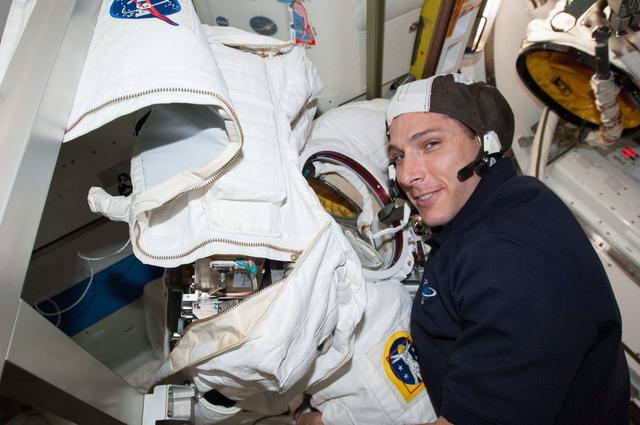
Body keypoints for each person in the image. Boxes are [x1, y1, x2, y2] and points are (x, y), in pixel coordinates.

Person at [383, 73, 629, 424]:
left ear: (485, 141)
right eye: (398, 157)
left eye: (431, 144)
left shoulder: (509, 263)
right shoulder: (513, 196)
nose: (408, 174)